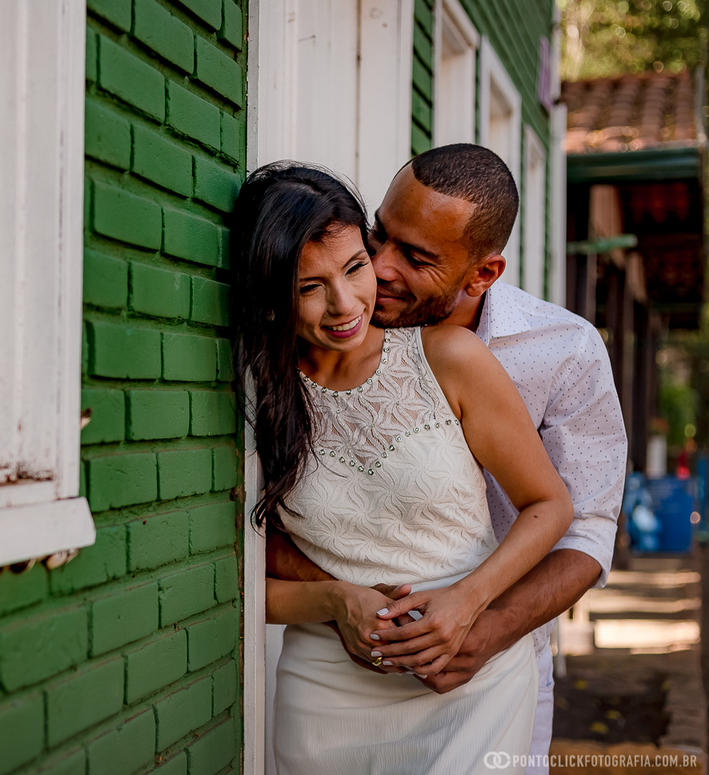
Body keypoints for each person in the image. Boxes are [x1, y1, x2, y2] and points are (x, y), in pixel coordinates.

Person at [266, 144, 628, 775]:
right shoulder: (307, 350)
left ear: (482, 274)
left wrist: (485, 626)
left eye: (416, 257)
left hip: (492, 664)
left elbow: (584, 528)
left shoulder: (563, 351)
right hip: (340, 675)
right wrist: (341, 599)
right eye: (379, 235)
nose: (379, 266)